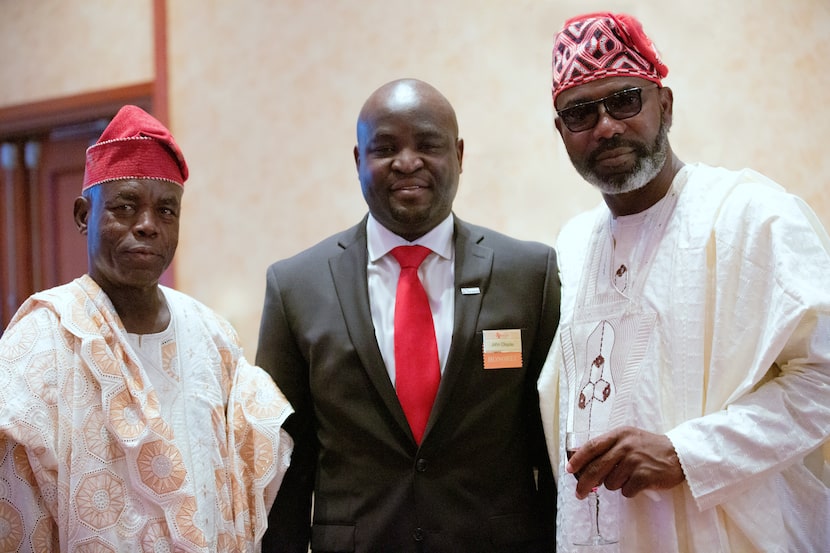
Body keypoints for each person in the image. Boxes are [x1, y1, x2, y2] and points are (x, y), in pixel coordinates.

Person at [538, 11, 830, 552]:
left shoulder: (752, 217)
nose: (606, 126)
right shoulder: (572, 247)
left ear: (664, 104)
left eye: (625, 100)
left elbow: (823, 378)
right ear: (562, 133)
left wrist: (687, 454)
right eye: (580, 113)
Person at [256, 78, 560, 552]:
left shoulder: (530, 274)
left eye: (427, 143)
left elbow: (552, 449)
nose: (407, 162)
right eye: (385, 148)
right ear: (358, 161)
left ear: (459, 154)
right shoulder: (295, 286)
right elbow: (285, 468)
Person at [0, 105, 293, 552]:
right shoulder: (40, 340)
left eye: (167, 211)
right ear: (84, 215)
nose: (148, 226)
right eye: (125, 207)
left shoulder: (211, 336)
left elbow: (254, 465)